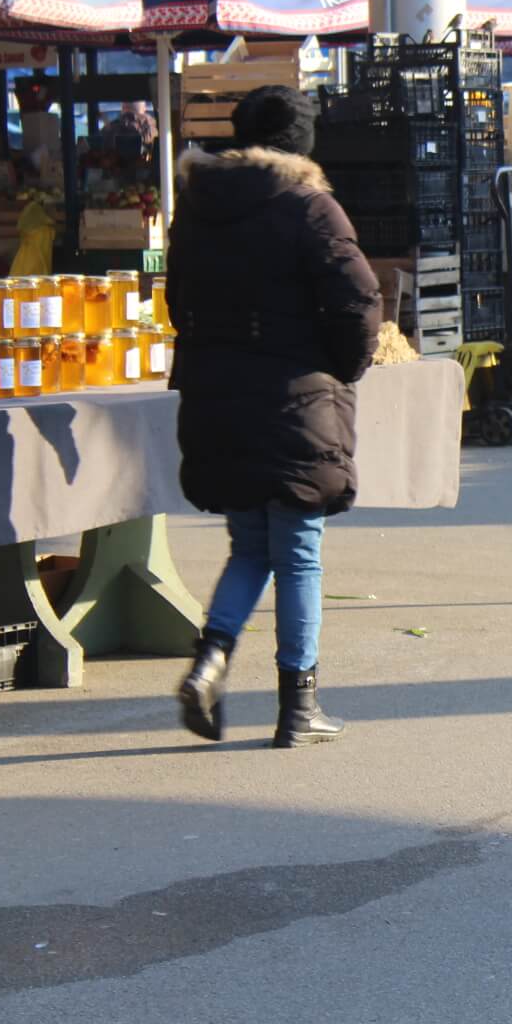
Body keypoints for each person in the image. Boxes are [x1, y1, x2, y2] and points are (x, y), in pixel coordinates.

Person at [170, 85, 381, 747]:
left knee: (250, 546)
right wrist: (342, 371)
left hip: (216, 396)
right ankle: (299, 708)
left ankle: (211, 659)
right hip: (294, 399)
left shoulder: (198, 209)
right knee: (297, 554)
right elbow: (360, 302)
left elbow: (178, 301)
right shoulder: (311, 207)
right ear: (303, 142)